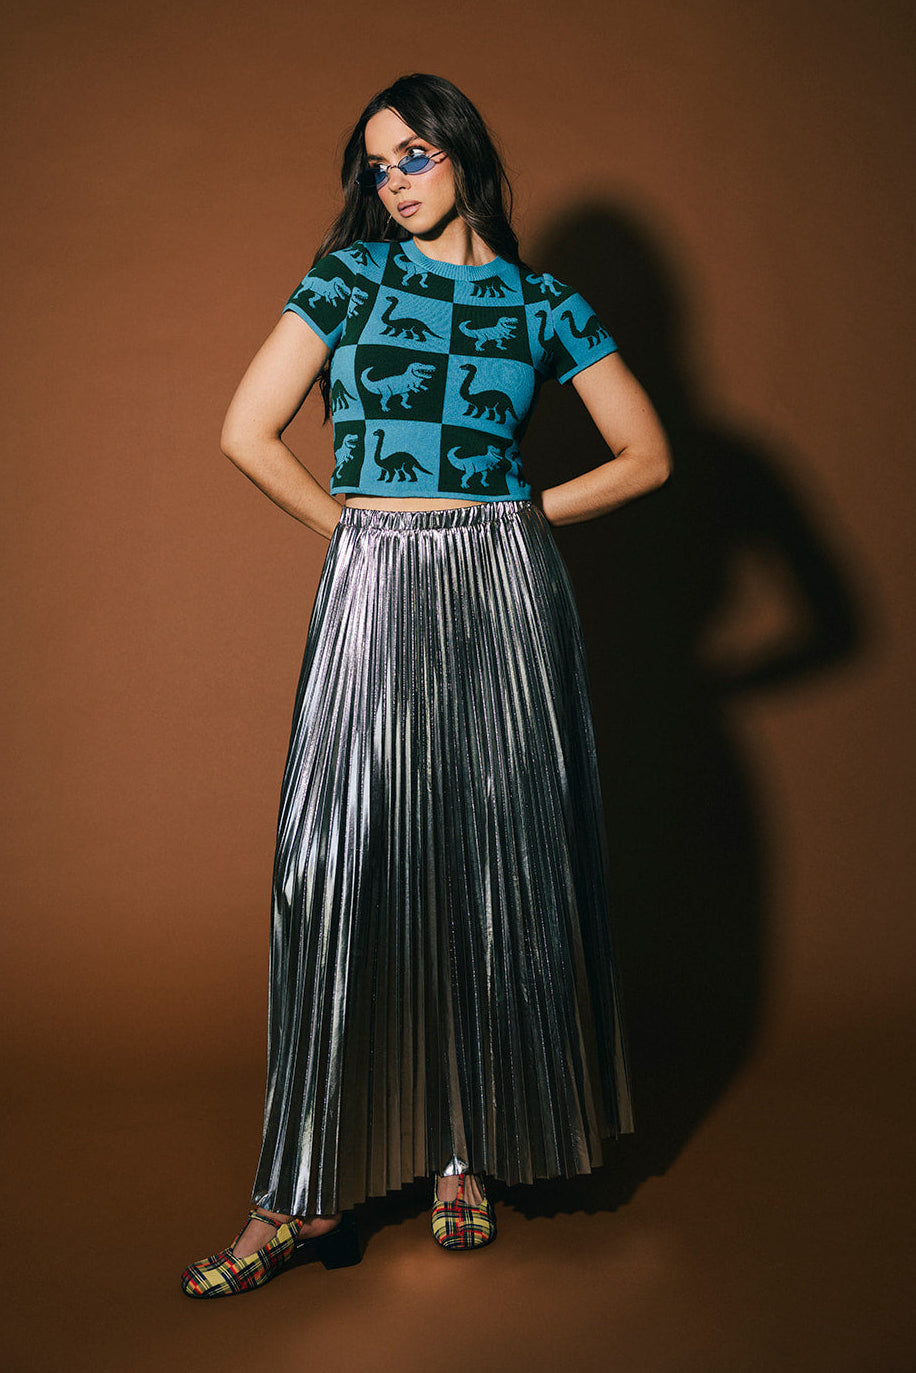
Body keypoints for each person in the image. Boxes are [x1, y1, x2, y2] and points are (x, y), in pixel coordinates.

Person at [181, 72, 671, 1299]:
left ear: (464, 153)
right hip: (375, 582)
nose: (393, 181)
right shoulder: (346, 281)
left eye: (413, 155)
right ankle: (290, 1197)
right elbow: (247, 430)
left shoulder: (544, 301)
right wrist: (356, 534)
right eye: (376, 164)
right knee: (332, 867)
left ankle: (464, 1150)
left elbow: (646, 454)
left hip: (508, 592)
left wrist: (514, 523)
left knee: (494, 859)